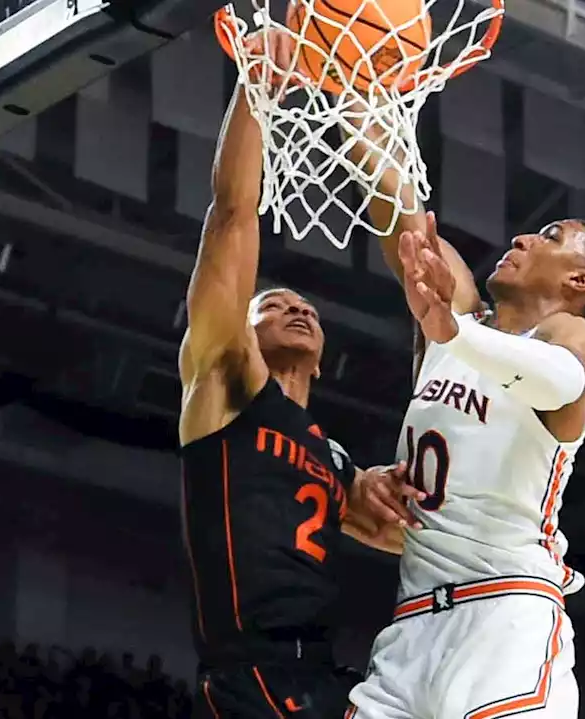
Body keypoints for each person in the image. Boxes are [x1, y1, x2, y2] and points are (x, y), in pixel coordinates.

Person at [344, 129, 585, 717]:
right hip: (409, 628)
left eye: (551, 237)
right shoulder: (456, 320)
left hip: (505, 619)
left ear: (580, 281)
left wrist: (455, 334)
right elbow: (405, 217)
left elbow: (562, 378)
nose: (522, 236)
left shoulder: (569, 337)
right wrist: (358, 100)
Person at [177, 31, 422, 719]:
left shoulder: (332, 457)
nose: (296, 307)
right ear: (241, 329)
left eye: (305, 305)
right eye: (273, 304)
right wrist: (256, 88)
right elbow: (231, 217)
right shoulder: (226, 386)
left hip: (326, 671)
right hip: (250, 675)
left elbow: (403, 533)